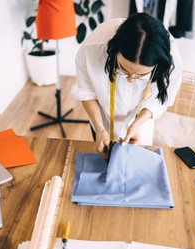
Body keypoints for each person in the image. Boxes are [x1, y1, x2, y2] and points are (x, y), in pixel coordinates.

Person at [72, 12, 182, 159]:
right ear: (115, 49)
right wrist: (99, 129)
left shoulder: (171, 60)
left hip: (143, 119)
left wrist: (138, 123)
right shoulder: (93, 48)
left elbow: (161, 99)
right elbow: (86, 91)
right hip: (102, 119)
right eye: (124, 70)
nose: (130, 80)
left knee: (137, 159)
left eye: (141, 76)